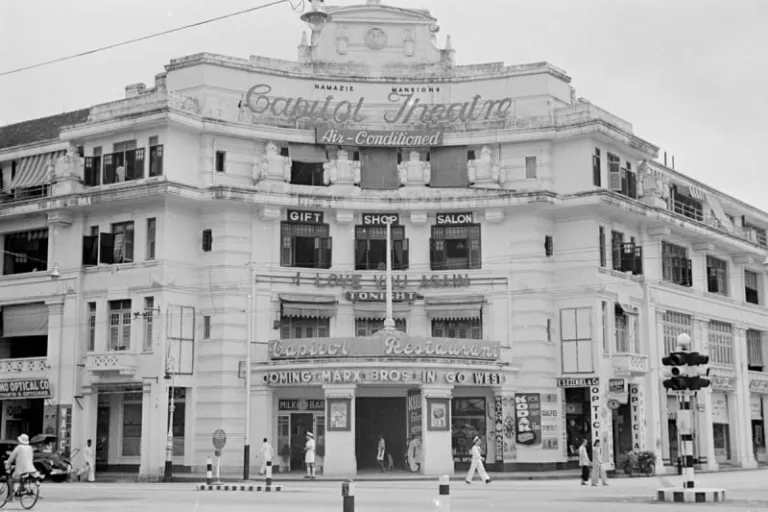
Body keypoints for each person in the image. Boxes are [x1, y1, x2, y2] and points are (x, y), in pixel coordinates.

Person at [4, 434, 38, 502]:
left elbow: (12, 457)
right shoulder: (30, 447)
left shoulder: (18, 447)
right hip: (31, 469)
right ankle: (21, 489)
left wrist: (7, 462)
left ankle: (10, 497)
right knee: (23, 478)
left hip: (22, 470)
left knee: (10, 481)